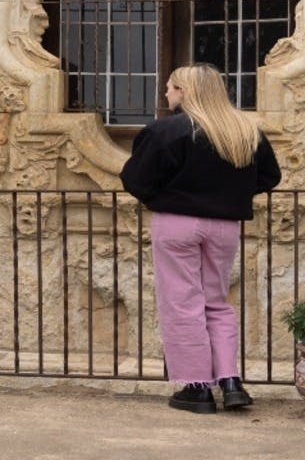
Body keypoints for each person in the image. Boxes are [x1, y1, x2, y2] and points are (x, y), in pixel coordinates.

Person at [120, 64, 281, 414]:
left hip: (177, 223)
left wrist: (168, 194)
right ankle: (230, 379)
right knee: (216, 301)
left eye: (170, 88)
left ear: (183, 91)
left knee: (182, 303)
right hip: (225, 226)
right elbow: (270, 176)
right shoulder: (245, 130)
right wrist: (229, 194)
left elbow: (136, 179)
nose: (166, 94)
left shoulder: (167, 131)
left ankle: (196, 388)